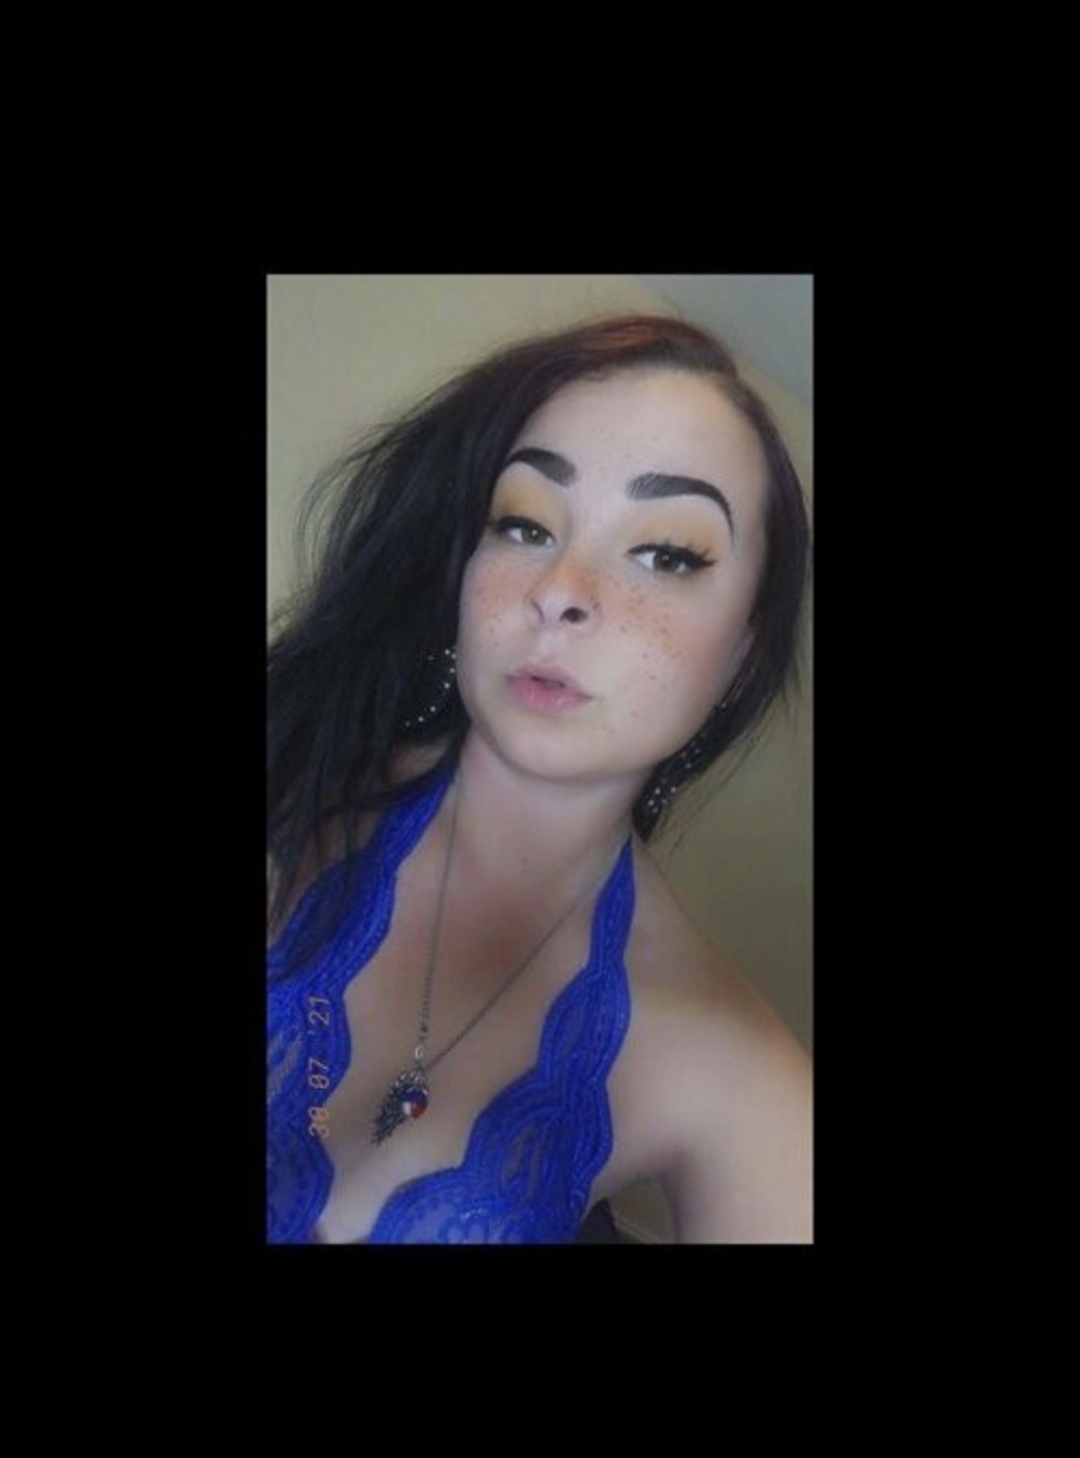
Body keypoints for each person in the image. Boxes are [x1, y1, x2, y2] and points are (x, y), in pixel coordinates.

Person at [267, 312, 811, 1244]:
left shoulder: (728, 1062)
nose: (559, 588)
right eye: (524, 524)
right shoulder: (291, 779)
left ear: (743, 652)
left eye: (666, 553)